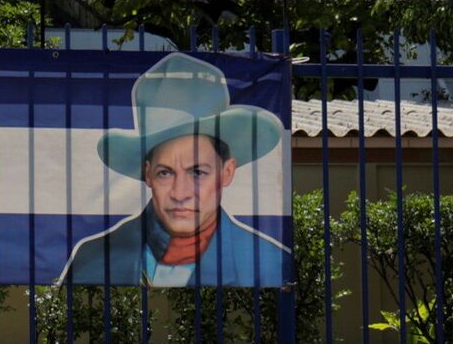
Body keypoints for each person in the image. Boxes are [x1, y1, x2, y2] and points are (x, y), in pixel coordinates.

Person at [59, 53, 287, 288]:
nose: (180, 194)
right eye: (165, 173)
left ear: (227, 172)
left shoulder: (269, 263)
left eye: (198, 172)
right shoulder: (92, 260)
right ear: (147, 174)